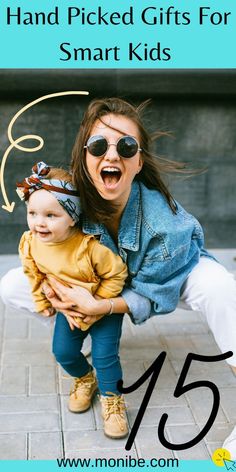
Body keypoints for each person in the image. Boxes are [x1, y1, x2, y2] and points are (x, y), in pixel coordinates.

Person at [1, 98, 236, 455]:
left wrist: (103, 304)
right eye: (98, 146)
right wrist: (63, 296)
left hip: (170, 275)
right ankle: (85, 337)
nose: (112, 155)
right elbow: (42, 243)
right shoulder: (68, 198)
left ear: (138, 161)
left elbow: (154, 295)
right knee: (13, 285)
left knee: (222, 287)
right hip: (97, 278)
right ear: (84, 157)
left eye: (126, 146)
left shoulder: (164, 225)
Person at [14, 161, 129, 439]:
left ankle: (113, 400)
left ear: (73, 217)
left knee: (105, 357)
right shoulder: (30, 242)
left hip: (103, 308)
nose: (39, 222)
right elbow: (33, 270)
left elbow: (117, 274)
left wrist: (98, 305)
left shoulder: (88, 246)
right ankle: (84, 378)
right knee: (63, 352)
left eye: (51, 215)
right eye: (32, 213)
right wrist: (43, 299)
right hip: (70, 309)